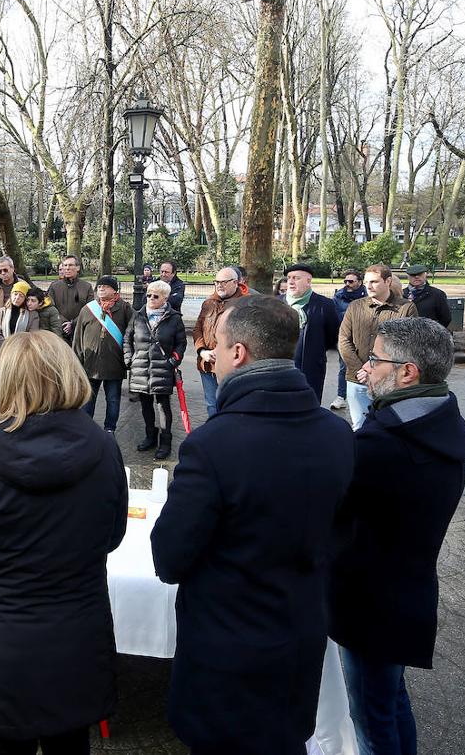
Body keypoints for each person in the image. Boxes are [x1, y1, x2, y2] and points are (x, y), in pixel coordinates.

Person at [151, 297, 354, 755]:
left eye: (216, 348)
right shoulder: (337, 434)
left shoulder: (213, 445)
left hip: (226, 648)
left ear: (238, 353)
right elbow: (340, 532)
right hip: (299, 633)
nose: (211, 357)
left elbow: (170, 557)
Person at [0, 331, 127, 755]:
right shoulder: (104, 447)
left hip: (3, 634)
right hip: (77, 632)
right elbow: (112, 536)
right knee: (70, 741)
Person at [329, 317, 465, 755]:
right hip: (404, 593)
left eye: (375, 360)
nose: (364, 369)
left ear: (408, 372)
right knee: (390, 701)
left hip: (372, 602)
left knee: (372, 721)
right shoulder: (438, 419)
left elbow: (330, 508)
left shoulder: (386, 445)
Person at [338, 264, 419, 430]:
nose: (368, 286)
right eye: (366, 282)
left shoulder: (406, 308)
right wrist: (360, 369)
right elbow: (344, 340)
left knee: (389, 428)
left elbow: (407, 345)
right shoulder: (355, 306)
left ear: (388, 281)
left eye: (374, 282)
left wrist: (376, 368)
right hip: (358, 379)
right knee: (360, 428)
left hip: (389, 381)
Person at [123, 280, 186, 460]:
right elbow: (128, 339)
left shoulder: (174, 318)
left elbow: (181, 343)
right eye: (148, 294)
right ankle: (150, 436)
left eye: (155, 296)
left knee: (163, 406)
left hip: (162, 369)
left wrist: (173, 360)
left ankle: (165, 441)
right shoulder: (138, 316)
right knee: (145, 405)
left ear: (165, 298)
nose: (150, 298)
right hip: (140, 367)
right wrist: (129, 359)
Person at [74, 276, 134, 433]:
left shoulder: (125, 309)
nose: (101, 288)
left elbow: (133, 333)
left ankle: (110, 430)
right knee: (88, 400)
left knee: (113, 400)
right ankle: (87, 429)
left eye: (106, 286)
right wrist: (77, 360)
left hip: (114, 364)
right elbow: (78, 337)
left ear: (115, 291)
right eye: (99, 286)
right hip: (90, 364)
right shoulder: (88, 309)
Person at [192, 266, 245, 417]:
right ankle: (214, 437)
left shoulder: (245, 304)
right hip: (207, 364)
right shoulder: (208, 303)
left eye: (224, 282)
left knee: (230, 405)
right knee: (211, 404)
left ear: (235, 283)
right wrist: (202, 351)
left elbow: (245, 335)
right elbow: (197, 330)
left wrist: (223, 352)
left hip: (231, 367)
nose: (219, 285)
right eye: (216, 282)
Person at [285, 263, 340, 403]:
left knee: (310, 405)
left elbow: (332, 335)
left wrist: (314, 349)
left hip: (312, 368)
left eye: (296, 278)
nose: (290, 282)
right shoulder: (277, 303)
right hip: (282, 368)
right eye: (289, 278)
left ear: (308, 281)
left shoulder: (325, 305)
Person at [329, 270, 367, 410]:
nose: (347, 284)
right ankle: (341, 396)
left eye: (351, 281)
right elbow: (333, 317)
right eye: (345, 281)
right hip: (345, 337)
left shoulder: (367, 295)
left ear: (359, 282)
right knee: (344, 367)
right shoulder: (338, 296)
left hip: (364, 337)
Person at [47, 254, 93, 342]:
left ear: (78, 268)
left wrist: (73, 323)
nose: (67, 268)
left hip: (80, 331)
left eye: (71, 265)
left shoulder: (87, 287)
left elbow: (89, 309)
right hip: (59, 330)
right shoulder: (54, 286)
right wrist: (64, 323)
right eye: (65, 265)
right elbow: (50, 307)